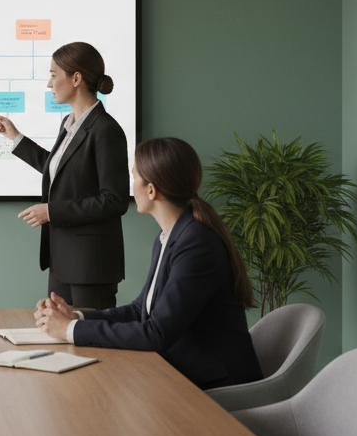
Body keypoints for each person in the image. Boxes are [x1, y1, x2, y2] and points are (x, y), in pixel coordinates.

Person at [34, 137, 262, 390]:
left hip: (214, 385)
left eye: (134, 178)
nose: (131, 187)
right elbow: (140, 309)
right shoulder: (170, 236)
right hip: (179, 371)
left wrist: (70, 330)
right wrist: (77, 317)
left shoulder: (195, 244)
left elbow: (156, 334)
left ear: (151, 190)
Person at [0, 41, 131, 309]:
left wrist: (52, 212)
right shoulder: (68, 124)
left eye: (54, 75)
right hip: (63, 259)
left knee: (90, 344)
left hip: (90, 265)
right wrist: (15, 136)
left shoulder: (105, 130)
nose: (48, 84)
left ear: (76, 78)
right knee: (62, 342)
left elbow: (115, 200)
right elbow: (59, 170)